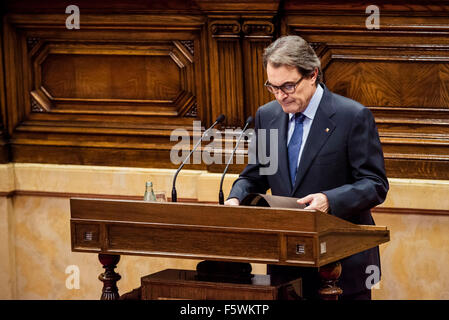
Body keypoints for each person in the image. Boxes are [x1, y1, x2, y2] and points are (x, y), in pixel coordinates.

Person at [225, 35, 389, 300]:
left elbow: (375, 184)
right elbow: (255, 175)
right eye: (273, 87)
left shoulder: (352, 116)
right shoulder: (267, 116)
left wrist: (329, 200)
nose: (280, 95)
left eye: (288, 86)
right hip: (286, 267)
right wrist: (236, 197)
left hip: (340, 267)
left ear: (312, 74)